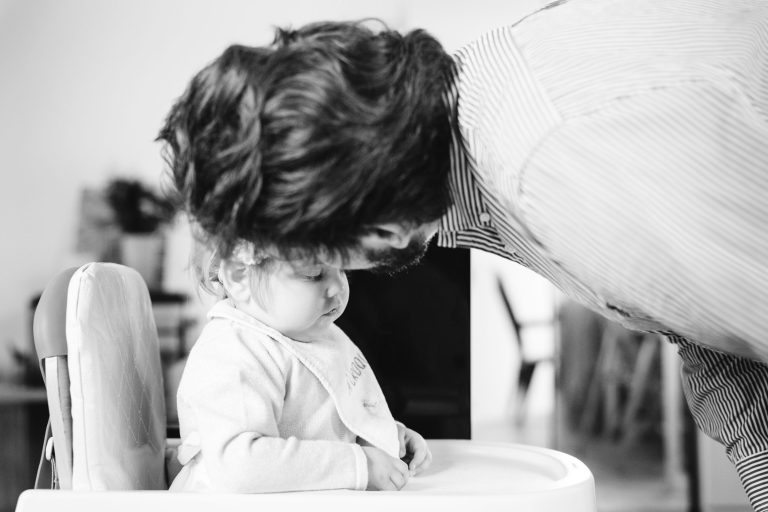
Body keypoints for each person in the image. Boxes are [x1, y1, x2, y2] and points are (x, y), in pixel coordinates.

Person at [158, 0, 768, 507]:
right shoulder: (488, 125)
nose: (340, 283)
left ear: (371, 216)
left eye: (321, 258)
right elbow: (711, 332)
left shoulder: (546, 165)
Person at [169, 239, 431, 492]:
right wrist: (359, 465)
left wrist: (385, 437)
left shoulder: (311, 332)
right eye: (313, 274)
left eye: (343, 270)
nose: (338, 287)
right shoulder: (232, 350)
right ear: (239, 276)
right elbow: (240, 464)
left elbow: (323, 419)